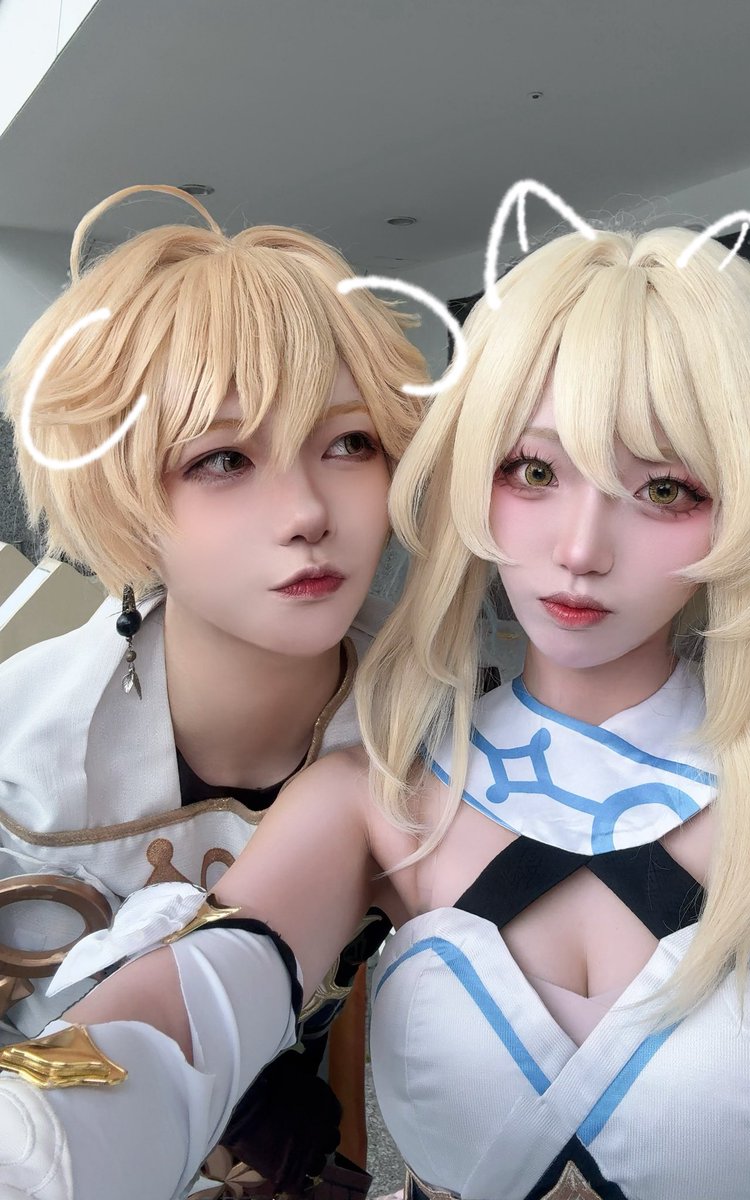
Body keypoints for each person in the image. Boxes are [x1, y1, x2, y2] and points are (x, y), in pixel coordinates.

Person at [2, 222, 750, 1200]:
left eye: (666, 488)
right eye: (535, 471)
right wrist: (48, 1133)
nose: (581, 548)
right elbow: (194, 1006)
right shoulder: (373, 794)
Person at [0, 184, 426, 1197]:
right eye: (224, 458)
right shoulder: (20, 751)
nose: (307, 511)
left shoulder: (443, 730)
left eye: (350, 443)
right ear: (124, 496)